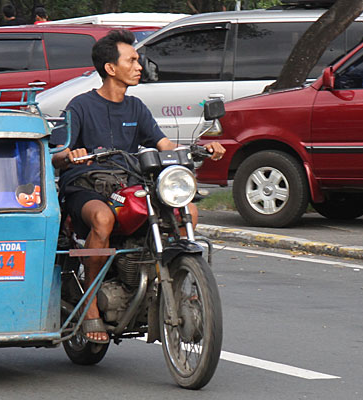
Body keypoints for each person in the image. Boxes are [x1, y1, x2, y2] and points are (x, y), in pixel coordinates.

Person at [50, 29, 225, 344]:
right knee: (103, 219)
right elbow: (58, 152)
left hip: (128, 183)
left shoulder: (136, 107)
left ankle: (176, 285)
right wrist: (70, 154)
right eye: (131, 60)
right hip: (86, 185)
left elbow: (164, 144)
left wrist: (200, 149)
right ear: (110, 68)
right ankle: (90, 307)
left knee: (188, 210)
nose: (139, 65)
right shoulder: (80, 106)